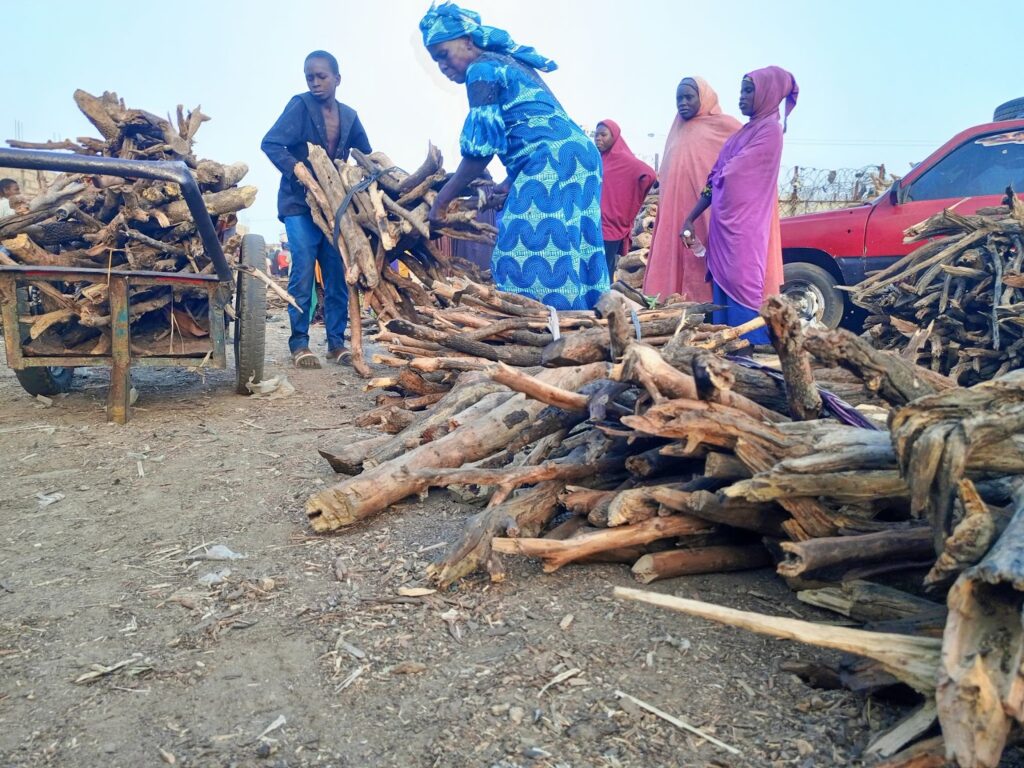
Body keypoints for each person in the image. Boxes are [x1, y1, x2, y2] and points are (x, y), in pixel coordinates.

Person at [421, 2, 609, 310]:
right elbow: (534, 124)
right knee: (573, 244)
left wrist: (442, 200)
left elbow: (480, 152)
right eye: (435, 59)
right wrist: (510, 180)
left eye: (444, 54)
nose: (442, 65)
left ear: (468, 41)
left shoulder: (481, 69)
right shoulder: (507, 62)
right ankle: (586, 318)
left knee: (525, 249)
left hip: (553, 160)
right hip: (579, 156)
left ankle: (546, 329)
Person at [261, 50, 372, 369]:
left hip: (336, 208)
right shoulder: (300, 106)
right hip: (299, 204)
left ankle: (336, 342)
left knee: (337, 272)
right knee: (303, 270)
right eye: (309, 76)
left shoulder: (349, 116)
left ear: (337, 78)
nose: (315, 82)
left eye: (321, 76)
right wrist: (296, 169)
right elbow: (271, 143)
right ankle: (299, 343)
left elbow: (366, 155)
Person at [681, 66, 797, 346]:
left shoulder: (770, 132)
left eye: (749, 91)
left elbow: (733, 174)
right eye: (741, 91)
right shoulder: (742, 134)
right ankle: (727, 354)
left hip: (744, 233)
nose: (741, 97)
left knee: (743, 289)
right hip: (722, 230)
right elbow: (714, 180)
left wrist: (722, 172)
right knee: (721, 297)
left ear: (768, 93)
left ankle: (750, 353)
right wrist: (690, 218)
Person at [643, 78, 740, 303]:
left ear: (703, 98)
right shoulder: (675, 132)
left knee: (705, 263)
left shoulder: (726, 128)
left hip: (706, 212)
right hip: (675, 213)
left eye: (689, 97)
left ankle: (711, 313)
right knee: (674, 264)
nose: (683, 102)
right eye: (679, 98)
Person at [594, 120, 655, 279]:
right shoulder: (598, 159)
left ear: (614, 137)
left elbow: (649, 175)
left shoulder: (623, 159)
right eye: (596, 134)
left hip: (611, 224)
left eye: (603, 135)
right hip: (594, 221)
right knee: (593, 267)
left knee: (604, 268)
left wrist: (627, 208)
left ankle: (602, 301)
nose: (598, 138)